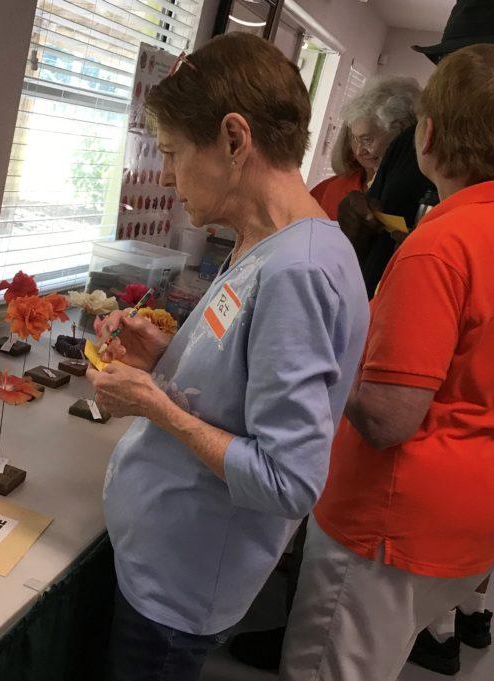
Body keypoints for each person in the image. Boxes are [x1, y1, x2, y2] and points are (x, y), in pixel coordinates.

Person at [87, 32, 369, 681]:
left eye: (173, 152)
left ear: (234, 140)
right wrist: (168, 356)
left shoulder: (297, 272)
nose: (166, 175)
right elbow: (245, 374)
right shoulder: (265, 242)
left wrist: (156, 407)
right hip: (160, 556)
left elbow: (287, 479)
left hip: (178, 588)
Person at [280, 43, 494, 681]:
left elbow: (386, 418)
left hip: (392, 522)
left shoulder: (443, 244)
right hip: (470, 513)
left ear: (426, 136)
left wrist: (324, 349)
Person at [311, 77, 420, 222]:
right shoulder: (332, 189)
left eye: (367, 140)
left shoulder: (421, 190)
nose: (359, 151)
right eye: (355, 139)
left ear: (400, 129)